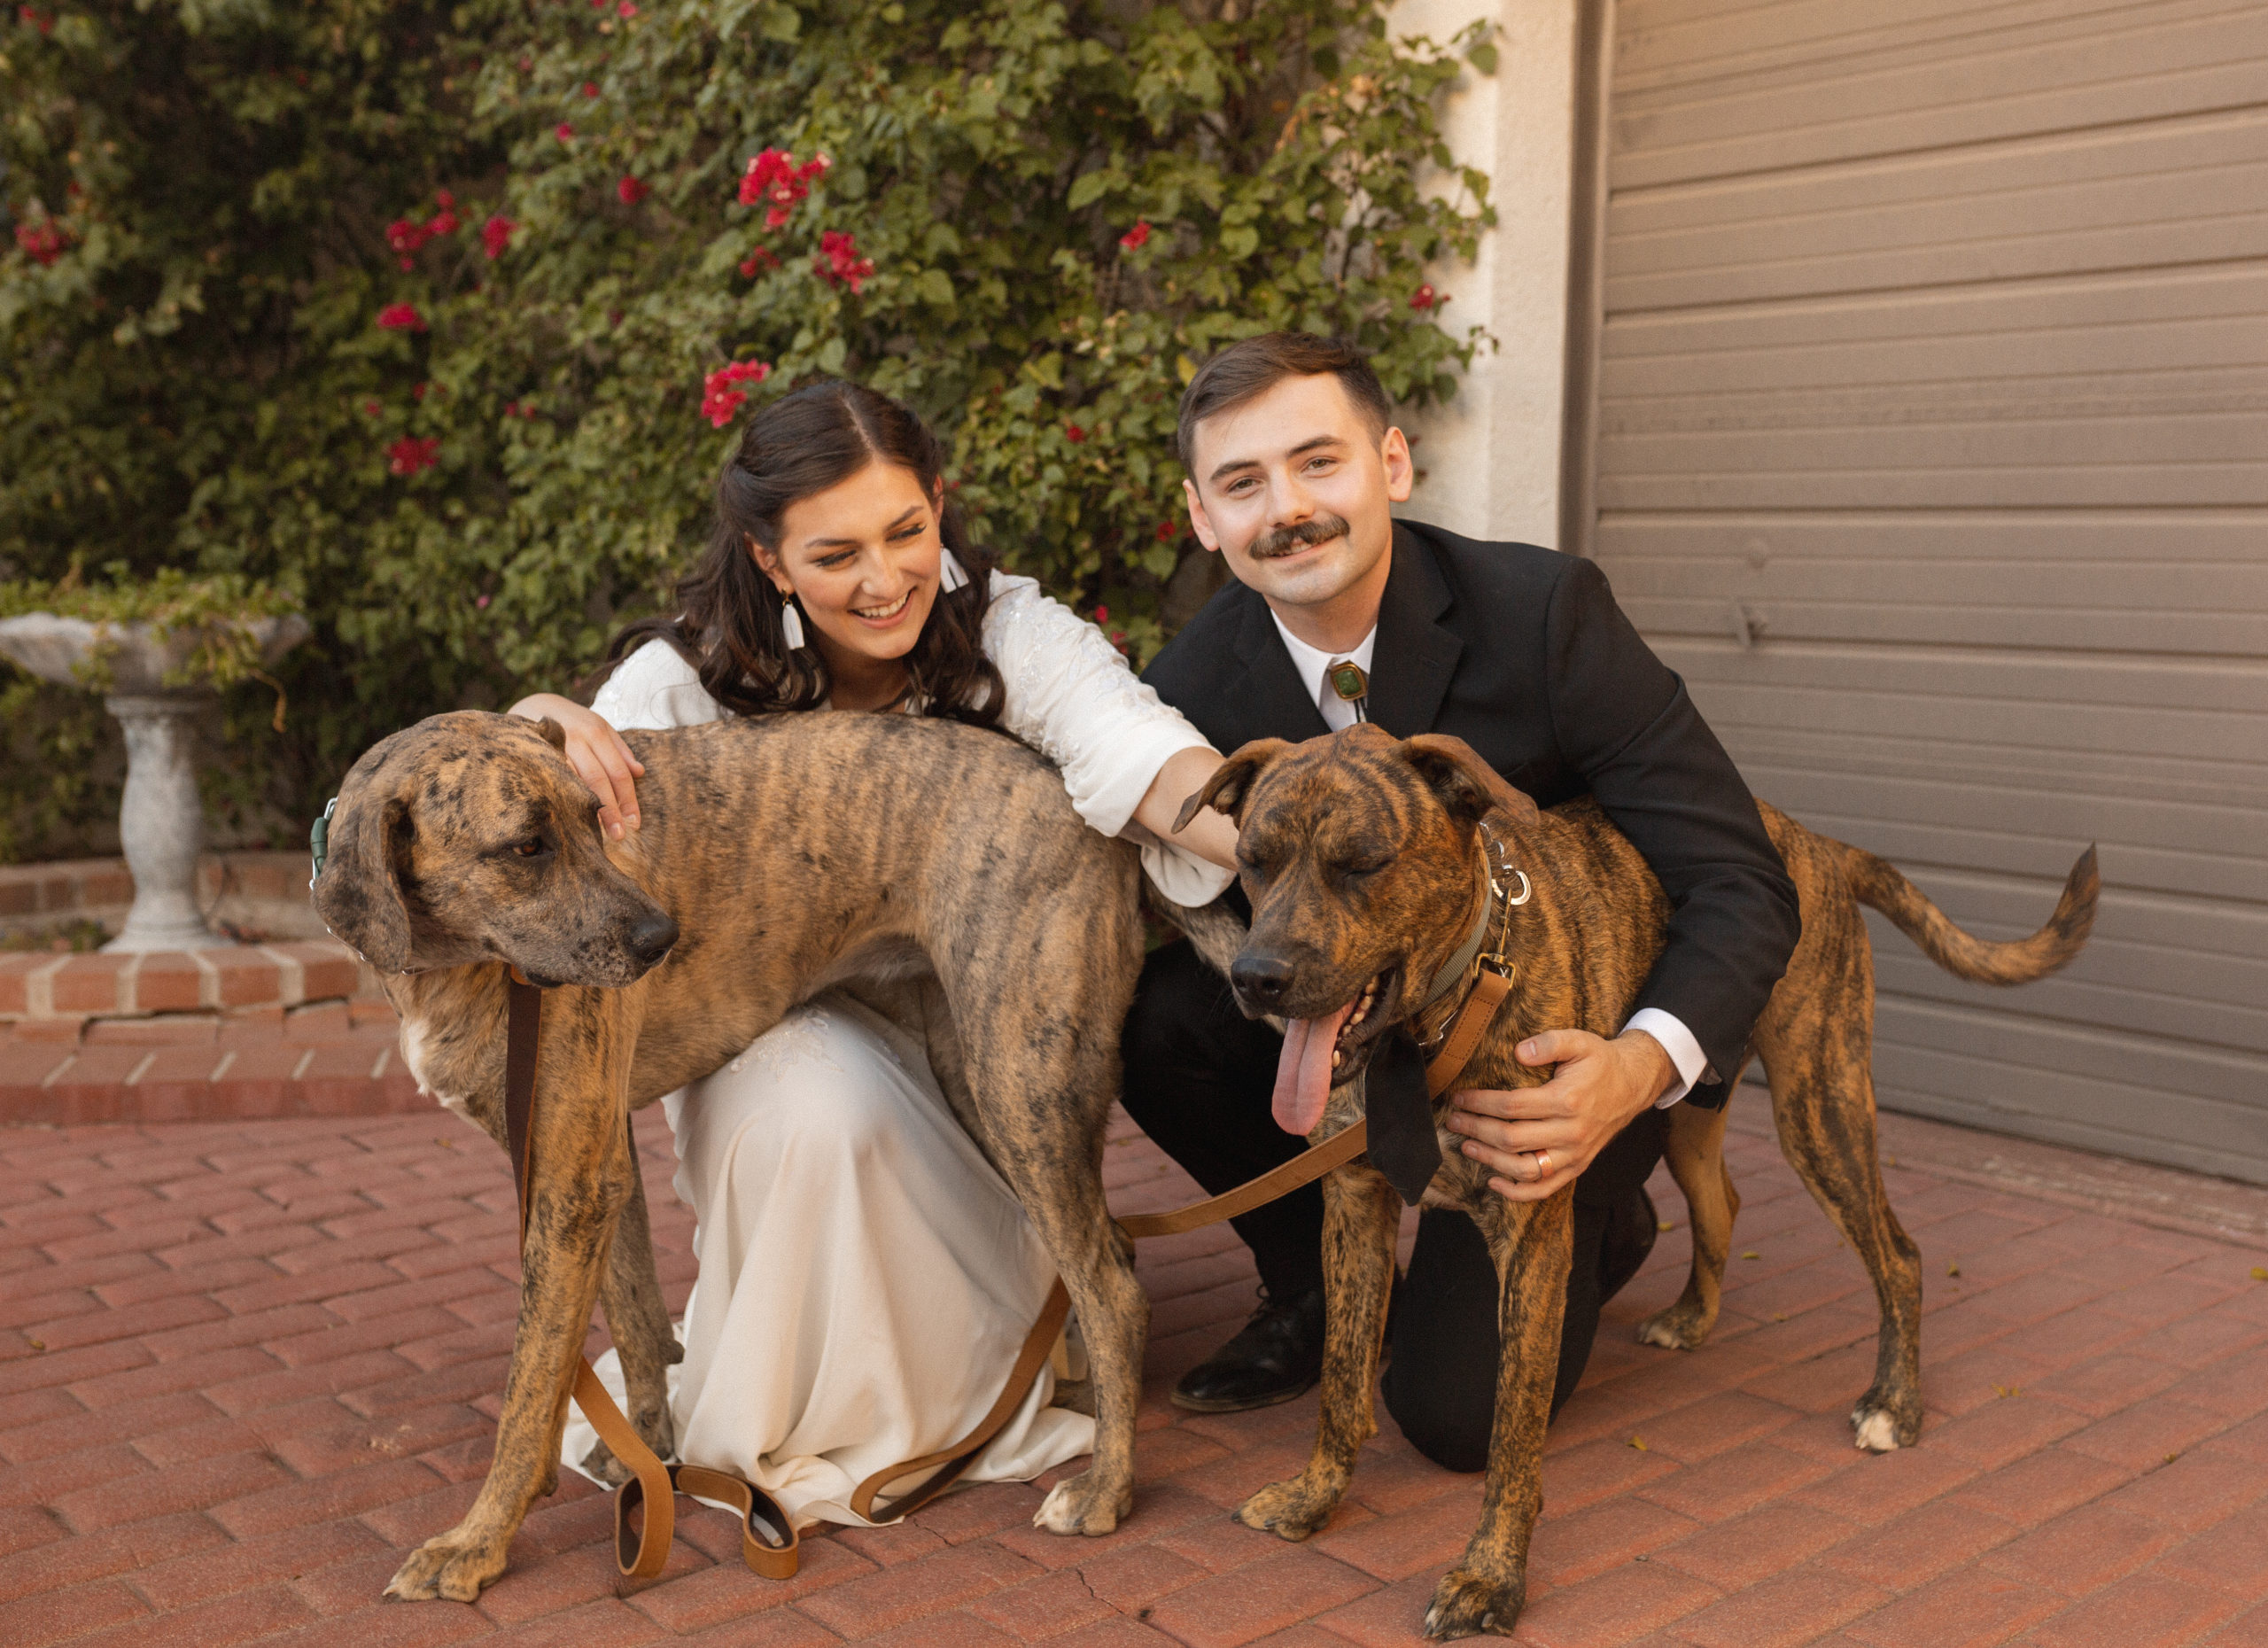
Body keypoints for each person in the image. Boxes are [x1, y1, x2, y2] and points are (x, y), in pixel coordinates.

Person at [509, 379, 1241, 1529]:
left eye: (908, 531)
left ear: (940, 505)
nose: (886, 578)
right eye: (836, 552)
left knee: (1008, 1120)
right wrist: (537, 720)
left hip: (972, 992)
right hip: (766, 1027)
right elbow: (522, 813)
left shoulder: (1006, 631)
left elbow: (1136, 753)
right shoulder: (681, 680)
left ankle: (1018, 1340)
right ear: (767, 556)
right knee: (819, 1102)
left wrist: (1289, 841)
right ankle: (803, 1390)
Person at [1124, 331, 1801, 1469]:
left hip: (1555, 1047)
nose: (1286, 508)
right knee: (1157, 1020)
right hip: (1357, 1016)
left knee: (1451, 1419)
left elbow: (1738, 876)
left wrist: (1631, 1074)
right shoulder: (1190, 685)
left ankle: (1605, 1214)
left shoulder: (1544, 613)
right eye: (1242, 484)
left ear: (1391, 462)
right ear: (1203, 519)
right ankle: (1308, 1287)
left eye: (1317, 462)